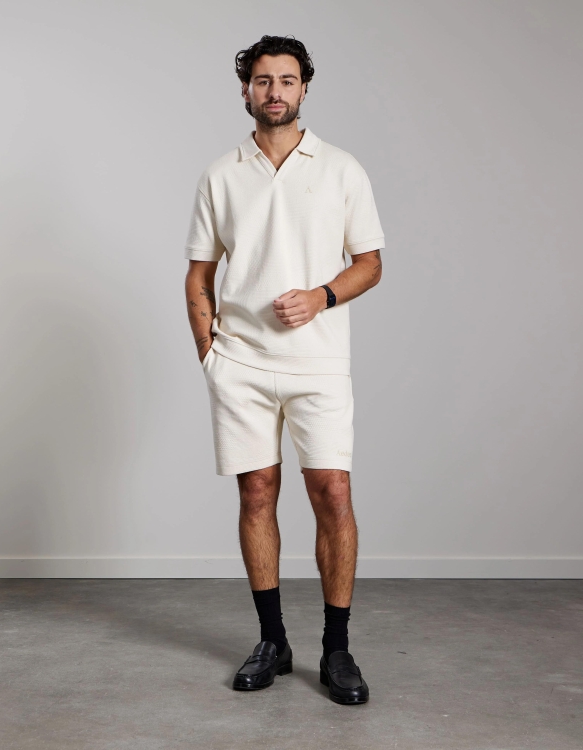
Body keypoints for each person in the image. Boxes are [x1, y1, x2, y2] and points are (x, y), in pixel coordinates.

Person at [183, 34, 385, 706]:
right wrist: (210, 354)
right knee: (256, 495)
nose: (275, 92)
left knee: (332, 494)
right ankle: (272, 641)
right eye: (264, 80)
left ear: (304, 88)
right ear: (246, 89)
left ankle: (336, 647)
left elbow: (370, 262)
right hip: (239, 362)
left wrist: (322, 296)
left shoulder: (342, 168)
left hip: (319, 362)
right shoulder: (221, 173)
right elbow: (199, 274)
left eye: (287, 80)